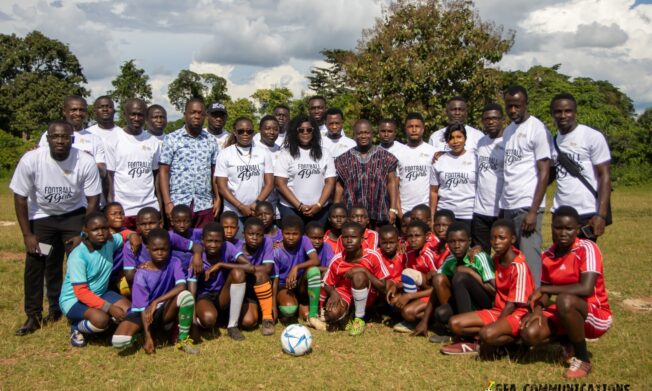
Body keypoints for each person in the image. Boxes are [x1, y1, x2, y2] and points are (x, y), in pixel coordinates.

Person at [11, 120, 102, 336]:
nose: (60, 140)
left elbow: (92, 201)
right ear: (47, 139)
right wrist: (28, 234)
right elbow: (20, 197)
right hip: (43, 218)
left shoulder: (84, 161)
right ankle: (33, 315)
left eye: (64, 137)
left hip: (73, 218)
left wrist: (83, 234)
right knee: (39, 261)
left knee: (77, 262)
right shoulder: (32, 160)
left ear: (72, 139)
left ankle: (69, 309)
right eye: (55, 136)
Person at [520, 206, 612, 379]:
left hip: (596, 315)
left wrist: (545, 289)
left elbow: (586, 288)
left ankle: (583, 360)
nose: (563, 233)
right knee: (529, 333)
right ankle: (567, 342)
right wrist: (537, 311)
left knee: (565, 301)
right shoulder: (547, 256)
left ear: (577, 230)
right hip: (567, 310)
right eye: (558, 228)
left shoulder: (587, 248)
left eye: (569, 229)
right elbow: (544, 294)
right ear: (551, 228)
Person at [442, 219, 534, 355]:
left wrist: (495, 326)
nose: (496, 242)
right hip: (497, 310)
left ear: (513, 239)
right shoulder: (497, 258)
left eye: (502, 238)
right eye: (493, 238)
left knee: (488, 333)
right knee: (454, 323)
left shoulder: (519, 266)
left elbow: (512, 305)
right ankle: (477, 342)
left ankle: (512, 343)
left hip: (516, 314)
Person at [111, 229, 199, 354]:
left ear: (169, 248)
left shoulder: (174, 262)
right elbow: (142, 307)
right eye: (155, 250)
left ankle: (183, 339)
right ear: (148, 249)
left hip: (163, 309)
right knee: (119, 342)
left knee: (186, 296)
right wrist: (148, 337)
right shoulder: (141, 274)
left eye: (164, 249)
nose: (160, 253)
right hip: (144, 312)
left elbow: (181, 286)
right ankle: (142, 333)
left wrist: (156, 301)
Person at [501, 86, 552, 286]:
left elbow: (545, 172)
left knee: (529, 258)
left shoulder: (537, 129)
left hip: (527, 206)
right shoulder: (508, 131)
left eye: (517, 106)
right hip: (509, 204)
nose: (513, 110)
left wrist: (533, 210)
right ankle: (516, 301)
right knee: (512, 258)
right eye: (509, 106)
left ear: (526, 104)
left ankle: (534, 306)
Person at [412, 222, 495, 342]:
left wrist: (470, 272)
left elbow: (494, 291)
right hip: (464, 303)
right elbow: (437, 286)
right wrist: (424, 321)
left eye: (461, 241)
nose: (457, 245)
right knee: (440, 313)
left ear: (469, 241)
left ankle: (464, 335)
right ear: (447, 243)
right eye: (452, 241)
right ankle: (454, 328)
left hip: (485, 304)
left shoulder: (479, 257)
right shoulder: (450, 259)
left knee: (460, 277)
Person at [59, 212, 131, 347]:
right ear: (85, 231)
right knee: (101, 319)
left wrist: (132, 236)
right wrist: (109, 308)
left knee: (128, 310)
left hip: (100, 292)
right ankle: (77, 327)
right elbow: (81, 292)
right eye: (95, 229)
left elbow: (123, 234)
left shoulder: (109, 242)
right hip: (74, 299)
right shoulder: (78, 255)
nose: (101, 233)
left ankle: (104, 327)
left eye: (104, 228)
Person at [549, 93, 611, 240]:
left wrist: (601, 215)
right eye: (558, 111)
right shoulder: (552, 141)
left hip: (586, 212)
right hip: (560, 211)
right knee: (561, 261)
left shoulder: (591, 136)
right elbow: (549, 175)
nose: (563, 115)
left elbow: (605, 175)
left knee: (584, 259)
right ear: (552, 114)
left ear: (575, 113)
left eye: (568, 111)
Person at [320, 222, 390, 336]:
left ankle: (359, 318)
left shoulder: (373, 256)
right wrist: (333, 293)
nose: (349, 241)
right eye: (345, 237)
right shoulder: (337, 259)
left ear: (362, 239)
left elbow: (383, 288)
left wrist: (364, 271)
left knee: (359, 276)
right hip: (345, 293)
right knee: (332, 314)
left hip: (368, 294)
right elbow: (327, 282)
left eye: (353, 237)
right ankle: (346, 315)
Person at [159, 98, 219, 228]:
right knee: (179, 244)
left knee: (204, 244)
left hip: (204, 204)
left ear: (205, 116)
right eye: (193, 112)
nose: (197, 116)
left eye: (200, 113)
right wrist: (167, 203)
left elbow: (214, 172)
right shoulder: (172, 139)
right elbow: (163, 171)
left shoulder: (211, 140)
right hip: (178, 203)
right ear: (185, 114)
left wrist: (217, 198)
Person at [104, 99, 161, 229]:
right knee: (125, 248)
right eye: (132, 114)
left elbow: (155, 176)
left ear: (146, 116)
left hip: (149, 208)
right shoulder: (113, 140)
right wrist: (111, 207)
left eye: (140, 115)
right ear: (125, 115)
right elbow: (109, 177)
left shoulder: (152, 141)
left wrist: (160, 206)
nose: (136, 118)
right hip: (124, 210)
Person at [38, 96, 107, 198]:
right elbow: (41, 166)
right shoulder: (50, 135)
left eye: (82, 110)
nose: (78, 113)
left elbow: (103, 172)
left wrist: (89, 161)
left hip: (88, 200)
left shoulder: (95, 139)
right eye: (74, 110)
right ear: (64, 112)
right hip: (61, 198)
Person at [187, 222, 247, 341]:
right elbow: (191, 293)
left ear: (223, 241)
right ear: (203, 241)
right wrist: (193, 326)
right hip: (204, 297)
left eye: (217, 241)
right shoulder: (197, 258)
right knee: (209, 319)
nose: (213, 245)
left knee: (238, 272)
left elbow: (249, 267)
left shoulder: (228, 247)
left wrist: (220, 264)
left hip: (222, 295)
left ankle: (232, 326)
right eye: (209, 241)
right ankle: (200, 320)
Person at [335, 120, 399, 227]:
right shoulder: (343, 159)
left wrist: (393, 209)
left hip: (379, 213)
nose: (363, 136)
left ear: (372, 134)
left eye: (366, 133)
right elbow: (339, 187)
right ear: (354, 135)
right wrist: (336, 210)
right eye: (359, 133)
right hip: (352, 215)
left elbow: (392, 183)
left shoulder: (386, 157)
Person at [275, 114, 335, 226]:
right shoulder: (286, 154)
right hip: (291, 209)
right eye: (301, 130)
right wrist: (299, 206)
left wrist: (318, 205)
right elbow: (280, 184)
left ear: (314, 132)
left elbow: (330, 183)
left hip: (320, 210)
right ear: (295, 132)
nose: (305, 132)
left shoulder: (325, 153)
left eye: (309, 129)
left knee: (315, 243)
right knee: (294, 243)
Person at [221, 217, 276, 336]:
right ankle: (248, 311)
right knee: (248, 322)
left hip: (260, 283)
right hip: (244, 289)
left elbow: (267, 269)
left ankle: (267, 318)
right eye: (251, 234)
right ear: (243, 234)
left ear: (263, 235)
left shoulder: (267, 242)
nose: (255, 238)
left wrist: (249, 268)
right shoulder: (236, 248)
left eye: (259, 235)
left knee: (261, 274)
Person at [215, 117, 274, 222]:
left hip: (257, 211)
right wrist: (240, 206)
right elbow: (222, 186)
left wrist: (256, 203)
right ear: (235, 132)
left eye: (249, 131)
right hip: (233, 212)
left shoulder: (264, 153)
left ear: (253, 132)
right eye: (241, 131)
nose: (245, 134)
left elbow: (269, 184)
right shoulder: (224, 154)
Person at [122, 207, 202, 284]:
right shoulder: (130, 245)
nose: (147, 227)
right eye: (143, 224)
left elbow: (196, 246)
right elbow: (130, 277)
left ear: (160, 224)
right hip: (146, 283)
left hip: (168, 279)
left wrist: (197, 256)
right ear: (138, 226)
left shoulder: (169, 236)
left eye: (152, 223)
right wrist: (144, 270)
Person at [387, 220, 437, 333]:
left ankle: (432, 319)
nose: (413, 240)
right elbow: (408, 278)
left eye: (417, 236)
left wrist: (409, 296)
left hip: (433, 295)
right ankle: (414, 313)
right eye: (410, 236)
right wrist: (396, 285)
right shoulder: (408, 253)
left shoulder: (429, 255)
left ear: (427, 236)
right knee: (393, 302)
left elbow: (437, 288)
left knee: (407, 312)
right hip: (419, 291)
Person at [271, 216, 321, 327]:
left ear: (301, 234)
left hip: (300, 284)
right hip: (284, 286)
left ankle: (312, 315)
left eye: (295, 234)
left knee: (314, 271)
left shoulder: (305, 240)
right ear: (282, 233)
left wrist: (296, 267)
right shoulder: (276, 250)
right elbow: (275, 279)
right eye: (287, 234)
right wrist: (273, 305)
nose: (291, 237)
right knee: (289, 309)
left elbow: (315, 260)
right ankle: (290, 307)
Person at [429, 123, 477, 228]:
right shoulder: (439, 160)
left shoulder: (475, 158)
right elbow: (434, 191)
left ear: (465, 138)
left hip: (469, 214)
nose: (455, 141)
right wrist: (432, 218)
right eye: (451, 138)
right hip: (445, 214)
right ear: (447, 141)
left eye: (459, 137)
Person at [472, 103, 506, 254]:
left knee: (503, 253)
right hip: (480, 210)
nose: (491, 122)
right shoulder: (481, 142)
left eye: (494, 118)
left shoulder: (509, 142)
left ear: (502, 120)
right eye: (487, 119)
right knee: (482, 255)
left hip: (502, 210)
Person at [396, 113, 437, 218]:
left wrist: (432, 215)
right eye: (410, 126)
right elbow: (395, 186)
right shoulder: (398, 153)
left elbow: (435, 187)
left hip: (425, 212)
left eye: (417, 126)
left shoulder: (433, 152)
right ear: (405, 129)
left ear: (423, 129)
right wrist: (400, 213)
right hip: (405, 212)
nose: (414, 130)